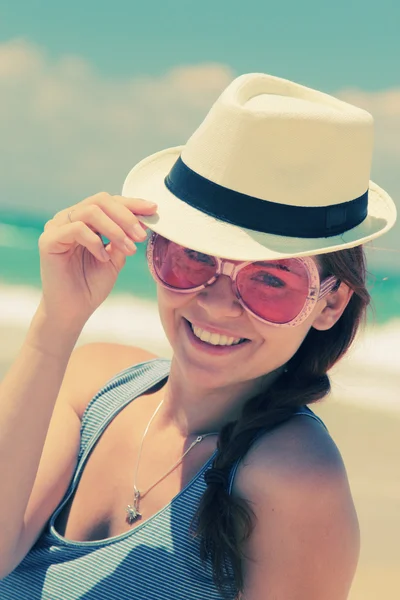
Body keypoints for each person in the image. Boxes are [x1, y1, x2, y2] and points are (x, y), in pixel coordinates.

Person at [0, 72, 396, 600]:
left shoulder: (294, 479)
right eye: (194, 257)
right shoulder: (92, 384)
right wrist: (56, 323)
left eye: (270, 280)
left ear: (329, 302)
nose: (215, 301)